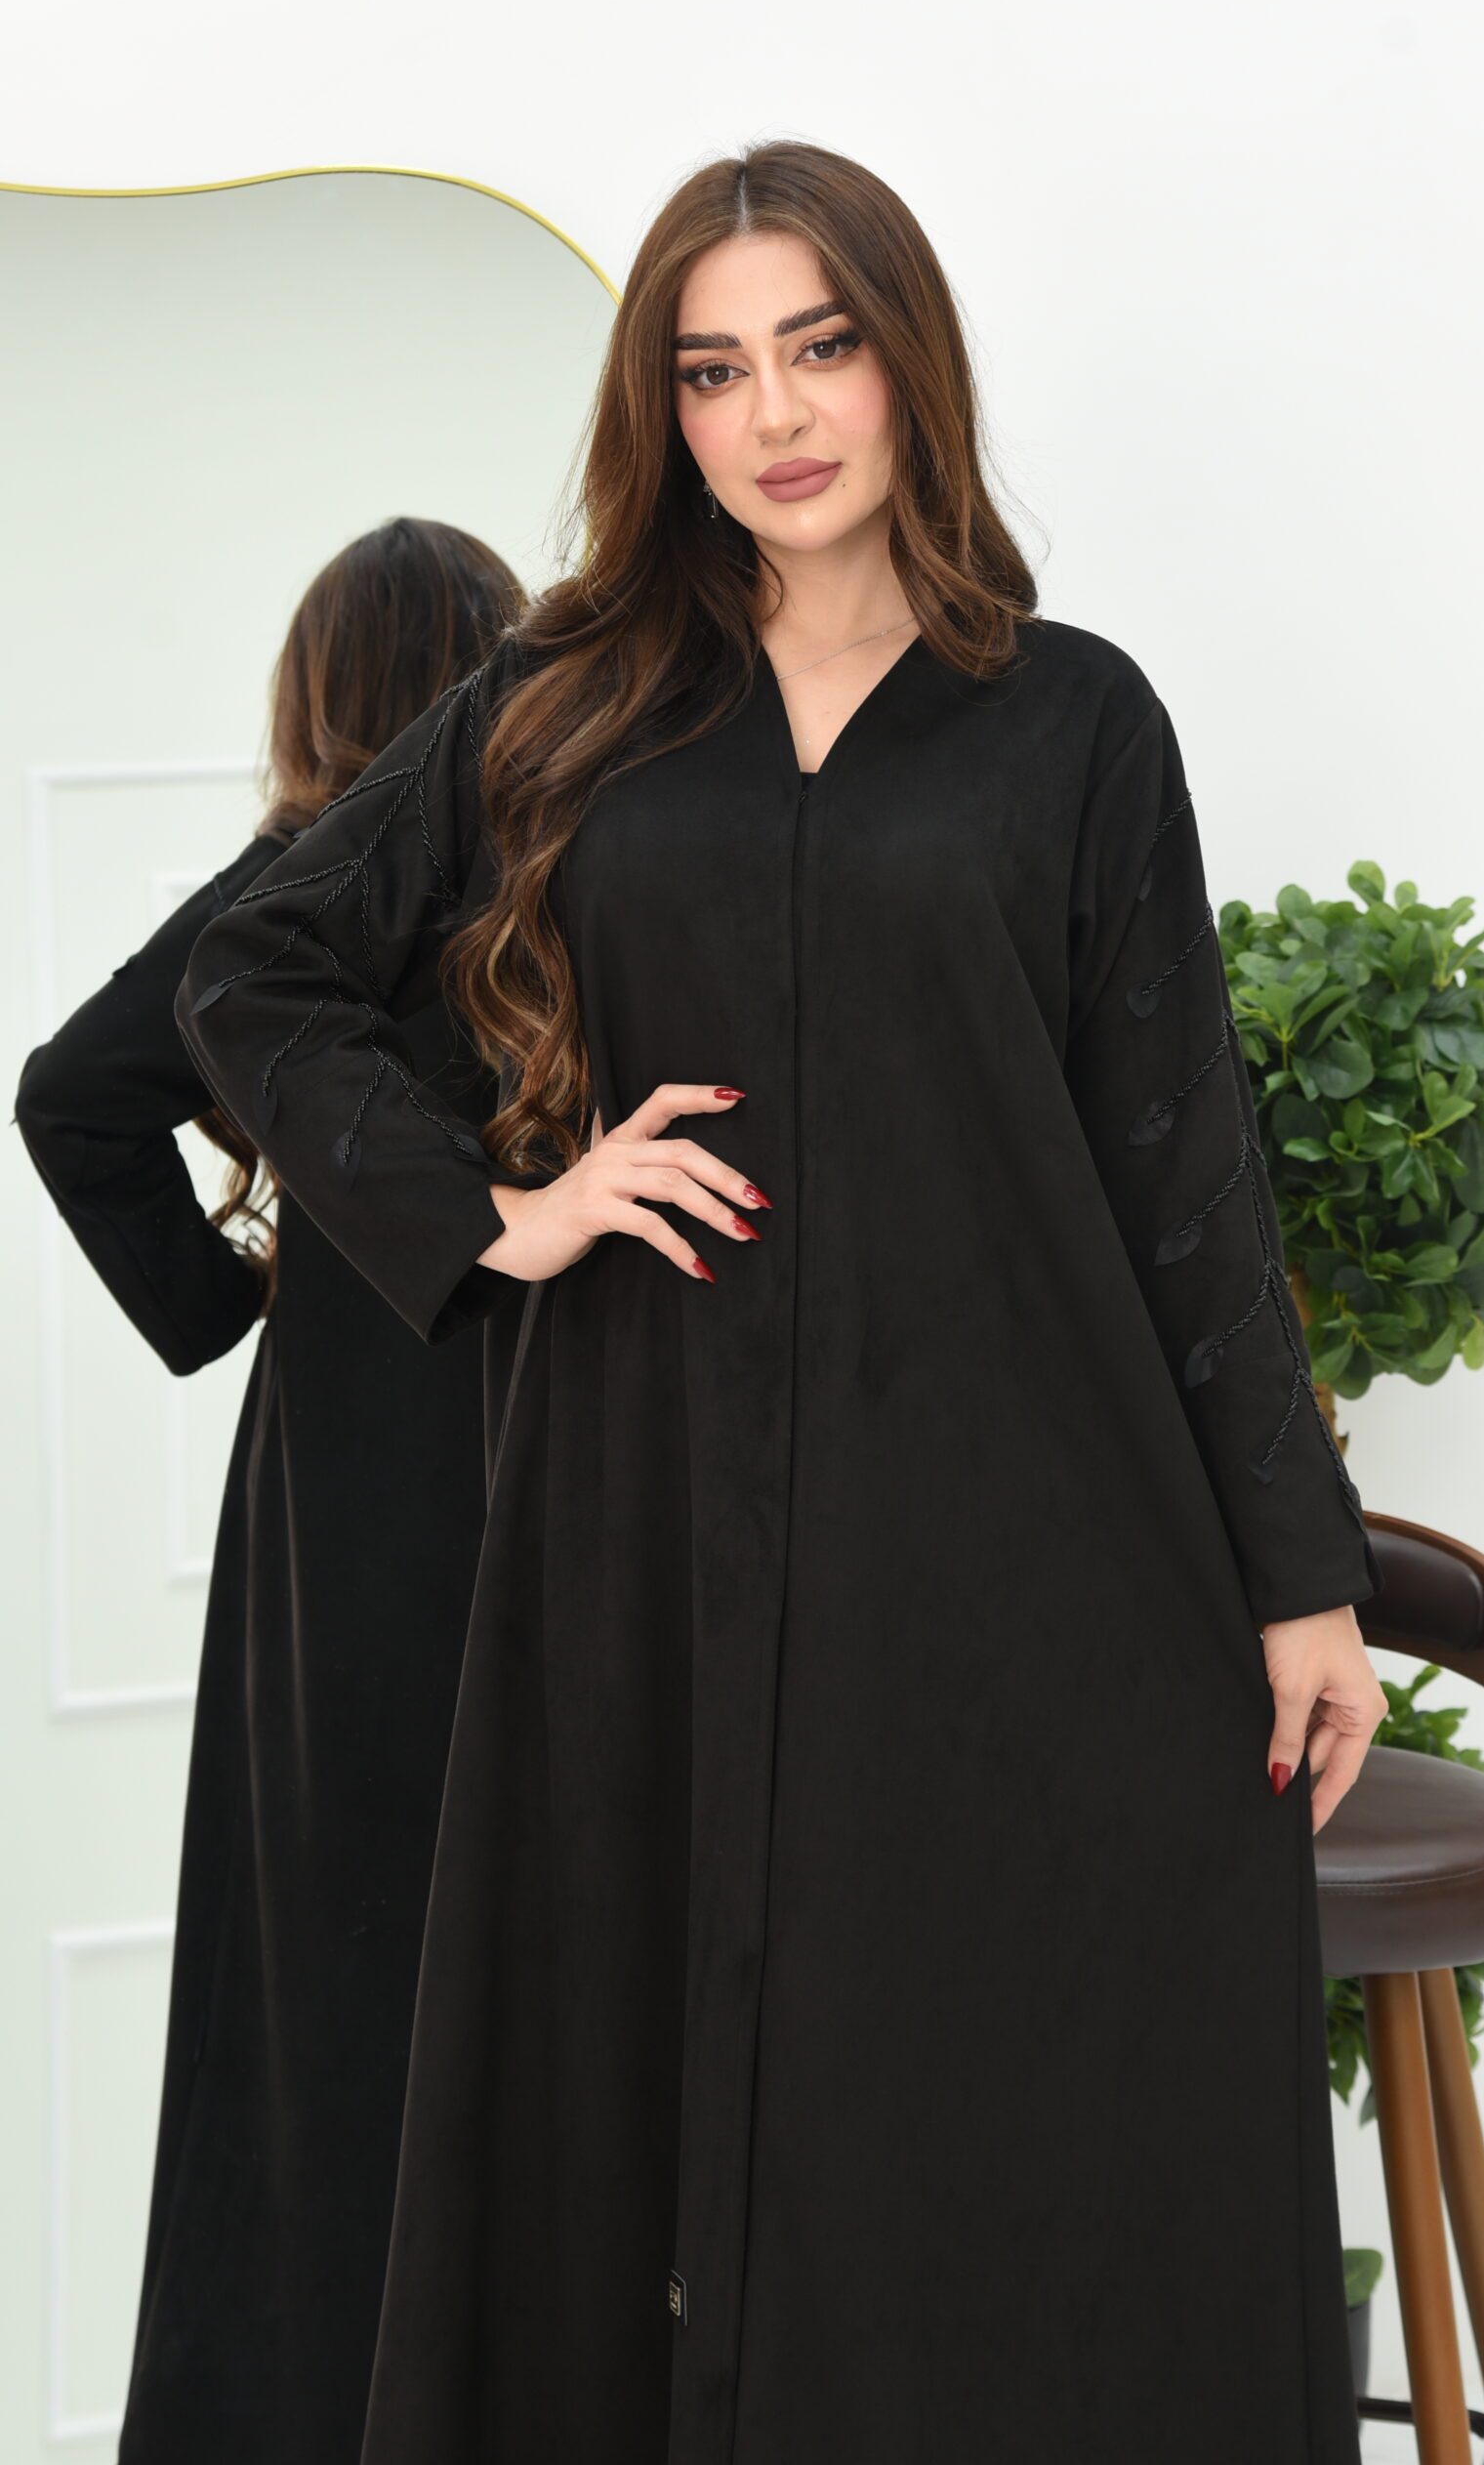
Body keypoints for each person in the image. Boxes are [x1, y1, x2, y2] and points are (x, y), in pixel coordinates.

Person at [177, 144, 1388, 2464]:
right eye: (713, 369)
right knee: (660, 2070)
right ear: (667, 411)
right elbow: (257, 970)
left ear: (906, 360)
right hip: (656, 1504)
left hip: (1031, 1522)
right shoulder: (574, 701)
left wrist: (1296, 1572)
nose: (776, 415)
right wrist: (492, 1209)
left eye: (819, 347)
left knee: (1007, 2075)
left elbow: (1181, 1167)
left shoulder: (1072, 724)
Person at [15, 518, 525, 2465]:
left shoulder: (302, 879)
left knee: (325, 1971)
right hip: (548, 1428)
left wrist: (227, 1304)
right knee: (541, 1957)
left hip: (345, 1474)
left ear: (318, 699)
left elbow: (76, 1094)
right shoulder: (562, 880)